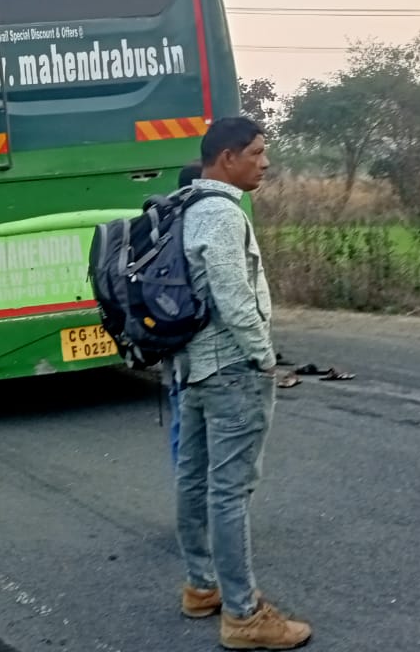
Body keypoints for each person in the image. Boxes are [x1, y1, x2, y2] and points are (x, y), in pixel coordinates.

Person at [172, 117, 310, 649]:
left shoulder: (183, 204)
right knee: (229, 491)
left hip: (193, 366)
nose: (266, 162)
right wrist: (264, 357)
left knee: (194, 478)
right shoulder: (222, 213)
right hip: (231, 370)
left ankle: (201, 587)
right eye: (256, 152)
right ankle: (244, 615)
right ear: (227, 158)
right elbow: (232, 295)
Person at [162, 160, 205, 471]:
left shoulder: (162, 222)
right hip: (202, 343)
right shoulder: (204, 222)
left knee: (181, 420)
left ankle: (185, 490)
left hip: (170, 336)